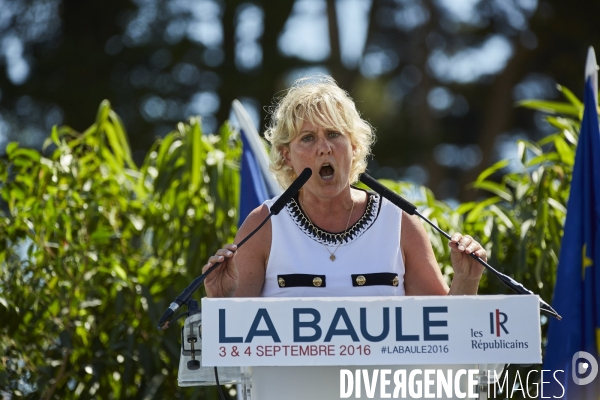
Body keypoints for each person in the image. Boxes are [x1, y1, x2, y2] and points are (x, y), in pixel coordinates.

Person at [203, 76, 485, 298]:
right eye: (308, 138)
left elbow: (446, 331)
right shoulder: (264, 224)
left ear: (353, 146)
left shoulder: (400, 222)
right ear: (286, 155)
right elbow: (233, 345)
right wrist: (219, 302)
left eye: (334, 134)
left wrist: (467, 279)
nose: (324, 148)